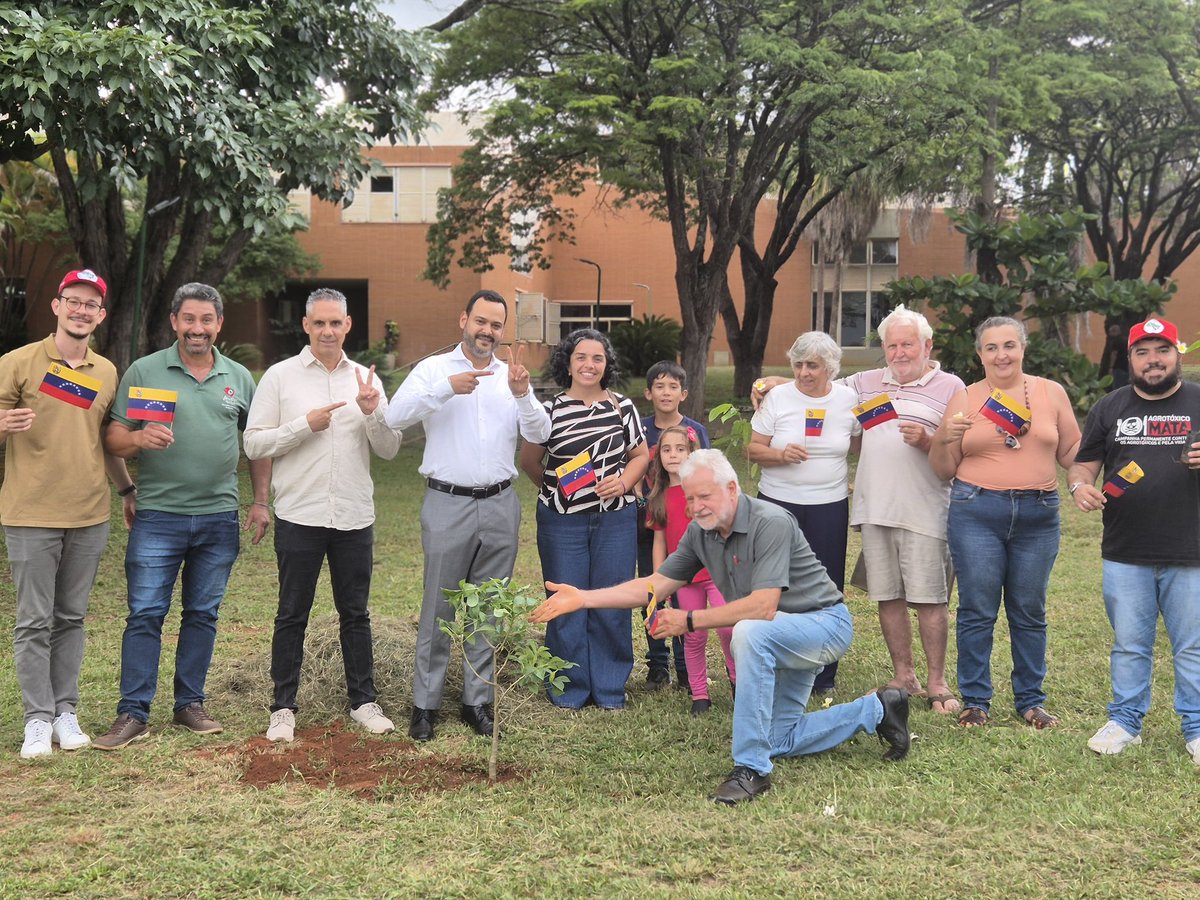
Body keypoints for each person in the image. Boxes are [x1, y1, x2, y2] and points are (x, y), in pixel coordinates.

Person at [530, 450, 910, 805]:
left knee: (748, 631)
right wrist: (583, 598)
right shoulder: (701, 532)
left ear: (731, 488)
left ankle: (751, 769)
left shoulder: (771, 522)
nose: (695, 508)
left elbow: (763, 606)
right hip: (781, 634)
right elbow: (657, 584)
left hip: (824, 626)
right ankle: (877, 710)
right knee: (778, 737)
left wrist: (689, 620)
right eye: (690, 499)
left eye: (704, 497)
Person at [94, 283, 270, 750]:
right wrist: (137, 441)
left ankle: (189, 703)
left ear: (218, 325)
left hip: (218, 517)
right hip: (158, 517)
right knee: (146, 614)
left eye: (206, 320)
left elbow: (256, 445)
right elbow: (113, 438)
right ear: (174, 321)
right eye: (188, 319)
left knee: (203, 614)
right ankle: (132, 713)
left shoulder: (238, 377)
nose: (197, 329)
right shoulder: (146, 371)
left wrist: (260, 500)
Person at [386, 289, 550, 742]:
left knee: (489, 609)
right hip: (447, 503)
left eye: (496, 325)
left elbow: (540, 431)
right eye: (481, 321)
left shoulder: (510, 376)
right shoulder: (434, 370)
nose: (487, 332)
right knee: (439, 607)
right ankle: (425, 704)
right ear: (464, 319)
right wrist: (443, 390)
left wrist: (523, 396)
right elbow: (394, 417)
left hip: (500, 504)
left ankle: (477, 701)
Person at [245, 288, 403, 743]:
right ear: (306, 326)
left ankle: (364, 701)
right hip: (300, 513)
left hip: (353, 515)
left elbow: (390, 450)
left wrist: (373, 413)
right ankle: (283, 707)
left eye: (336, 323)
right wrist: (303, 426)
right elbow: (253, 443)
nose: (328, 331)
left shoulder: (365, 380)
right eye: (319, 323)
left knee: (355, 613)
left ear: (348, 326)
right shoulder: (280, 377)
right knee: (292, 613)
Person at [0, 269, 136, 758]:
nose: (81, 310)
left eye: (91, 304)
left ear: (101, 315)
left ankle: (65, 712)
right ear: (56, 306)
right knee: (34, 621)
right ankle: (36, 720)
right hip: (30, 512)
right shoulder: (17, 362)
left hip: (88, 513)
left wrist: (126, 490)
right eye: (73, 301)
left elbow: (104, 441)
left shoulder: (106, 371)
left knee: (71, 618)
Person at [930, 316, 1081, 729]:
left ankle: (1031, 701)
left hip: (1039, 513)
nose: (1002, 355)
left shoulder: (1051, 392)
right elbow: (943, 469)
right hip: (976, 510)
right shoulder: (966, 397)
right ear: (980, 354)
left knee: (1029, 609)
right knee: (977, 608)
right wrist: (944, 437)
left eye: (1009, 345)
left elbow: (1073, 452)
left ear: (1023, 349)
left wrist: (1105, 459)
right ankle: (976, 701)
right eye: (992, 347)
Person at [1068, 317, 1200, 762]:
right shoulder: (1110, 407)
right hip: (1125, 551)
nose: (1153, 359)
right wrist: (1079, 486)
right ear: (1131, 360)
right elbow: (1084, 463)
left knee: (1193, 645)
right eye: (1142, 352)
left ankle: (1197, 727)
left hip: (1192, 549)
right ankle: (1125, 722)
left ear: (1176, 354)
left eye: (1161, 350)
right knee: (1129, 643)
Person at [841, 306, 964, 713]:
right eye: (891, 345)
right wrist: (773, 381)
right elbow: (819, 386)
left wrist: (930, 440)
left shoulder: (951, 387)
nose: (899, 352)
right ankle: (903, 675)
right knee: (887, 597)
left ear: (927, 345)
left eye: (907, 343)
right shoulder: (863, 383)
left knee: (930, 600)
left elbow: (962, 452)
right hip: (875, 509)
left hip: (926, 510)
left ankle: (937, 683)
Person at [519, 328, 649, 709]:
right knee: (564, 601)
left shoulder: (623, 407)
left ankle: (609, 689)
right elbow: (529, 461)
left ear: (606, 365)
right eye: (581, 357)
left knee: (611, 601)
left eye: (597, 358)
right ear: (568, 362)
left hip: (615, 521)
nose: (589, 364)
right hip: (563, 524)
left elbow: (641, 456)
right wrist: (557, 491)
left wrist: (625, 482)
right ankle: (569, 689)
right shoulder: (549, 410)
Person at [748, 332, 860, 695]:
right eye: (797, 364)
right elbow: (752, 449)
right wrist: (780, 456)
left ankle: (824, 674)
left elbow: (859, 442)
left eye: (812, 365)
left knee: (827, 587)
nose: (803, 372)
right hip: (778, 504)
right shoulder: (778, 397)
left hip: (829, 505)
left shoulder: (848, 400)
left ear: (830, 367)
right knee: (777, 584)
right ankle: (777, 665)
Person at [644, 425, 734, 715]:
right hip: (683, 579)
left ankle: (739, 683)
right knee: (693, 635)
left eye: (681, 449)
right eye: (667, 450)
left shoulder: (701, 491)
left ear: (692, 453)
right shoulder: (658, 496)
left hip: (716, 573)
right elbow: (659, 540)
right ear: (659, 457)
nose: (674, 455)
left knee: (728, 628)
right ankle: (699, 695)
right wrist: (659, 582)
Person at [638, 360, 710, 693]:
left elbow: (707, 471)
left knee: (686, 599)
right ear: (648, 392)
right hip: (651, 524)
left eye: (672, 387)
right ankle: (657, 664)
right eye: (659, 386)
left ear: (684, 393)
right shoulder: (639, 427)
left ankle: (686, 667)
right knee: (652, 595)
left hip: (689, 530)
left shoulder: (695, 429)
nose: (665, 393)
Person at [1098, 323, 1129, 391]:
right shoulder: (1126, 340)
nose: (1109, 334)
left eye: (1110, 332)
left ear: (1115, 331)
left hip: (1118, 367)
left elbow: (1114, 354)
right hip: (1127, 368)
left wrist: (1111, 367)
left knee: (1117, 387)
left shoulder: (1116, 341)